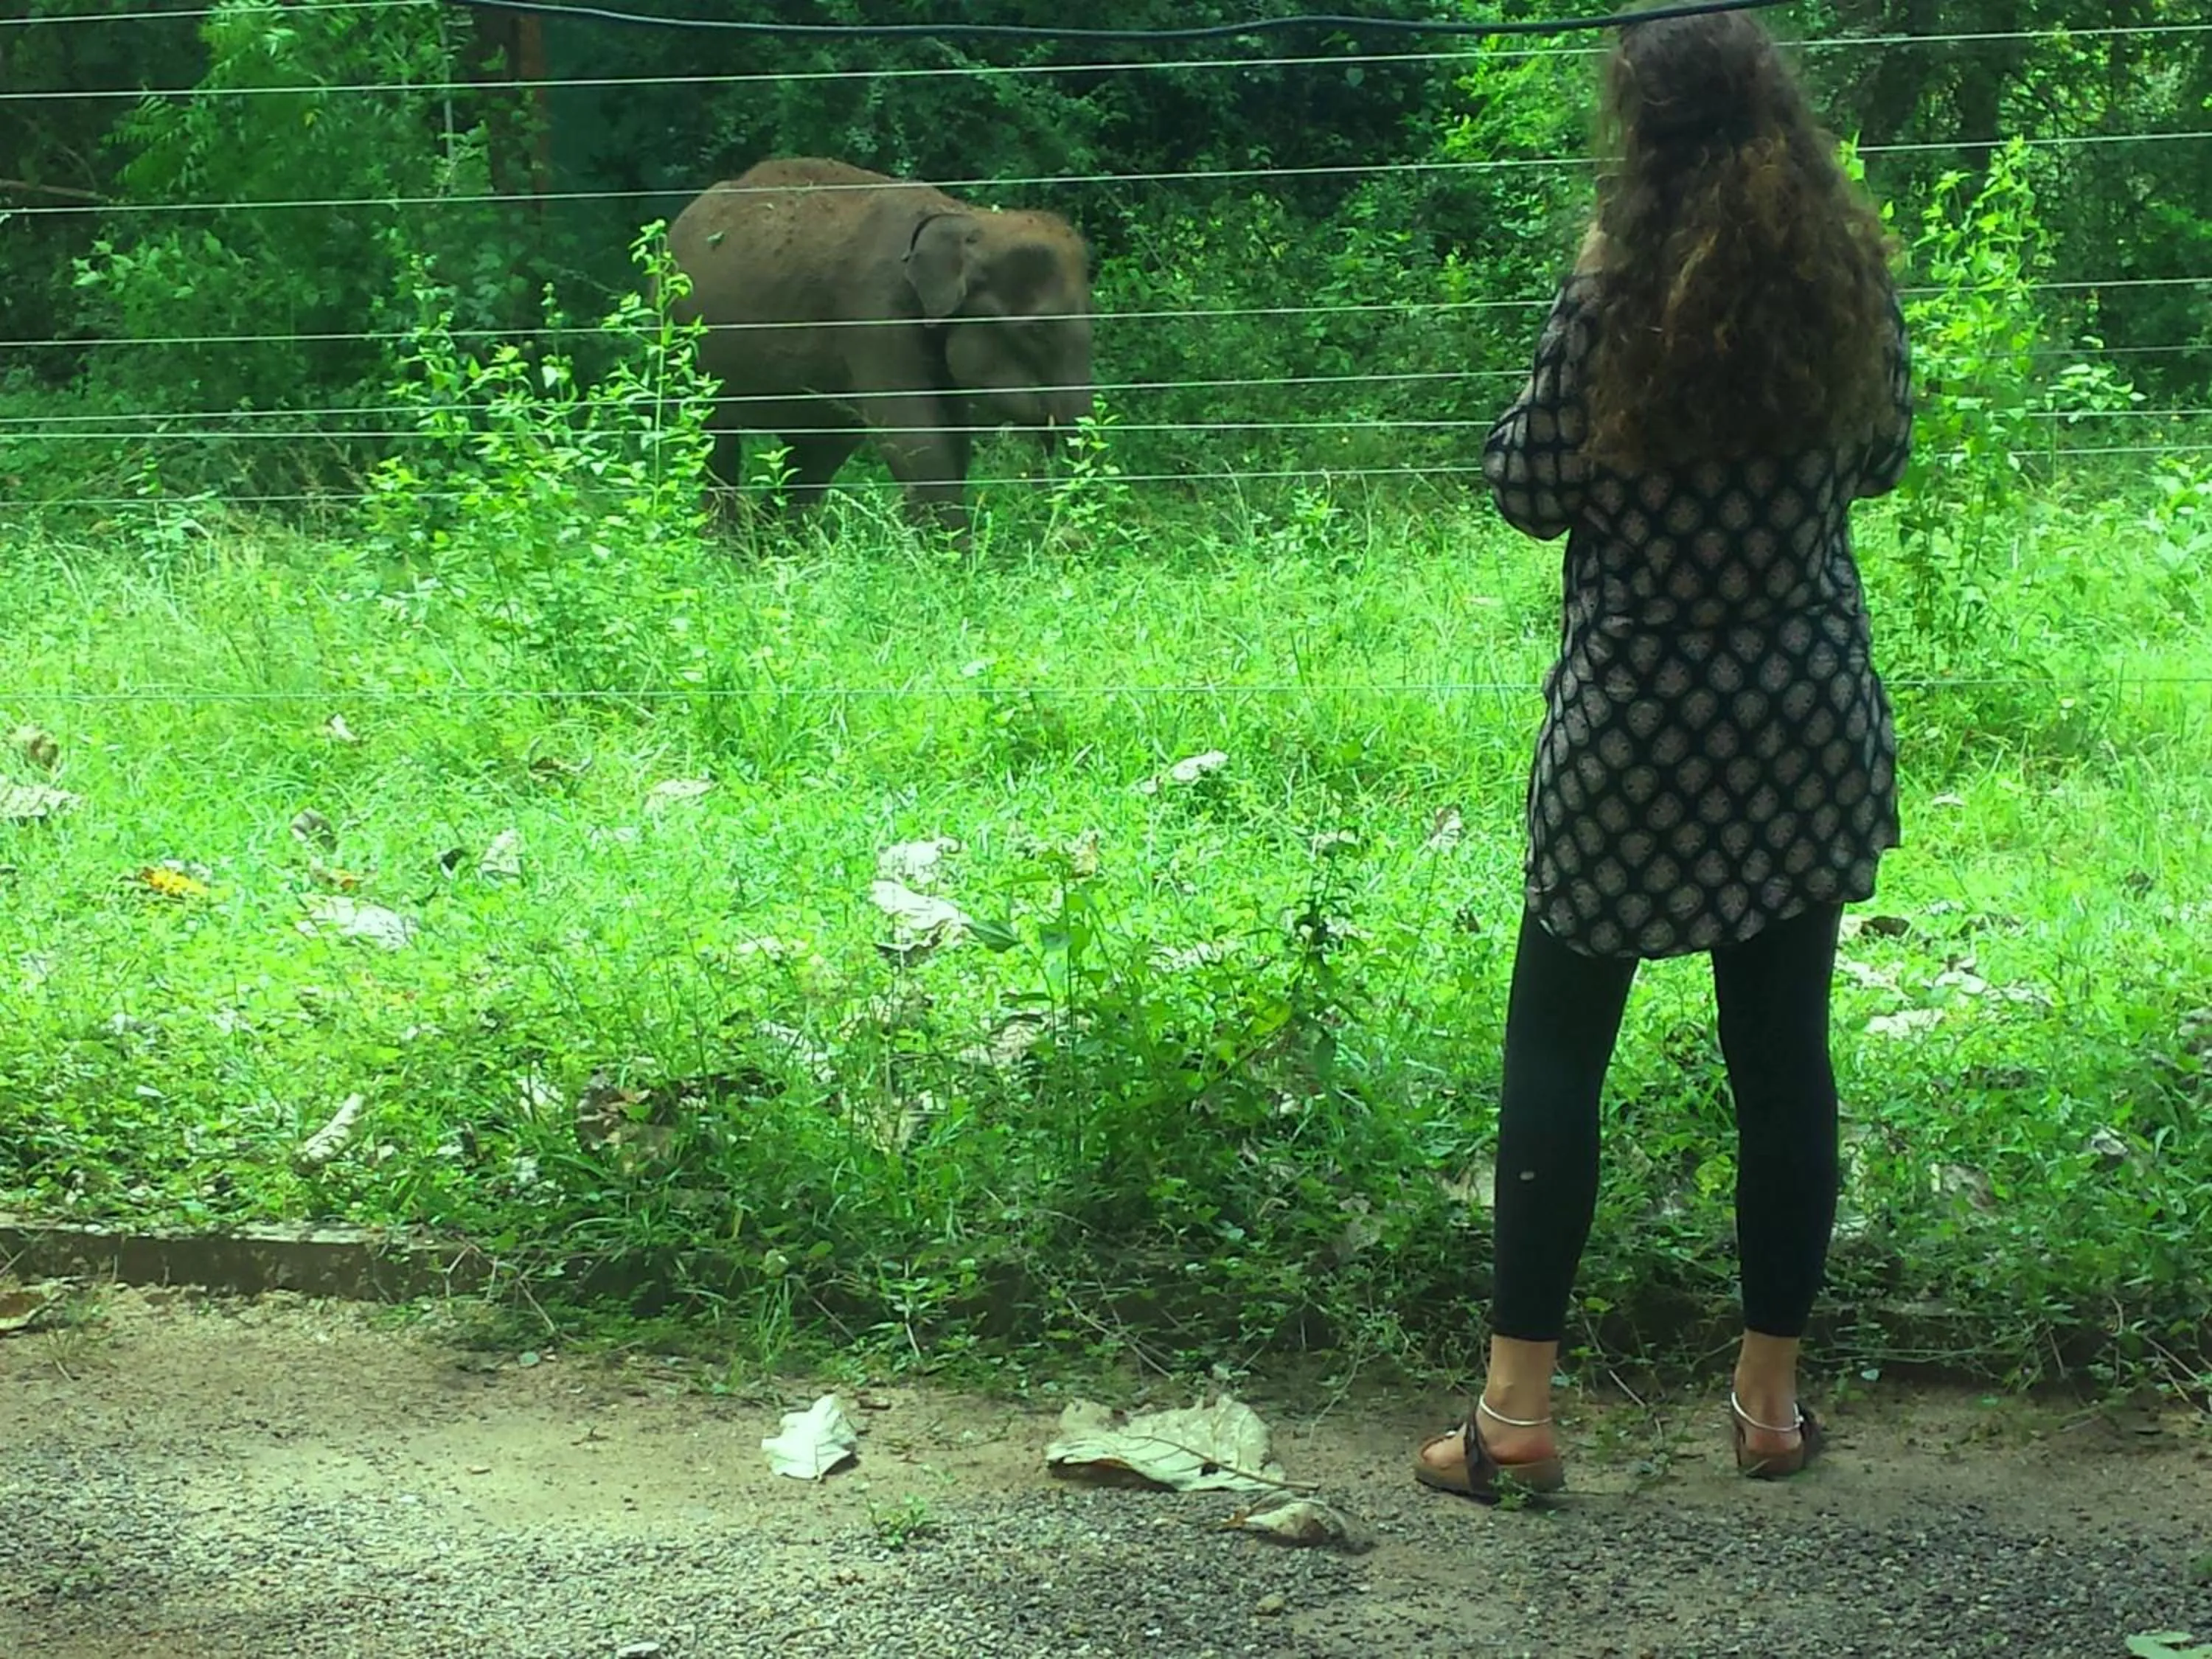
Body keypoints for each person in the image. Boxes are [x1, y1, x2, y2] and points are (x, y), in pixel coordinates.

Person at [1415, 7, 1914, 1501]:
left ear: (1639, 130)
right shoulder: (1847, 281)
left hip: (1637, 727)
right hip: (1804, 714)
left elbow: (1526, 486)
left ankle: (1514, 1421)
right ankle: (1768, 1414)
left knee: (1555, 1048)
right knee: (1785, 1066)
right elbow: (1883, 459)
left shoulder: (1616, 288)